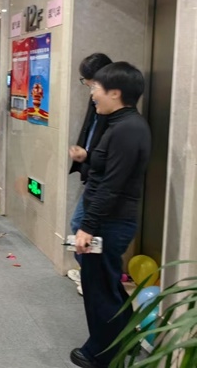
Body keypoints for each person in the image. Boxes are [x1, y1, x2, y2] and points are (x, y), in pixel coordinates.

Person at [70, 62, 151, 368]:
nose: (93, 94)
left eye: (96, 88)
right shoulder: (121, 124)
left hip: (109, 222)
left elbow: (112, 184)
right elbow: (110, 167)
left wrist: (88, 226)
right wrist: (88, 157)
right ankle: (124, 339)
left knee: (99, 289)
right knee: (107, 283)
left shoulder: (128, 129)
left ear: (115, 93)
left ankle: (102, 354)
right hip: (108, 220)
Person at [67, 53, 112, 294]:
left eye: (89, 82)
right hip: (93, 171)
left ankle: (93, 278)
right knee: (81, 225)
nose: (88, 88)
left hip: (104, 178)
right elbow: (90, 129)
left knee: (82, 225)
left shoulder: (121, 116)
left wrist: (88, 156)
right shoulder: (96, 99)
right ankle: (89, 273)